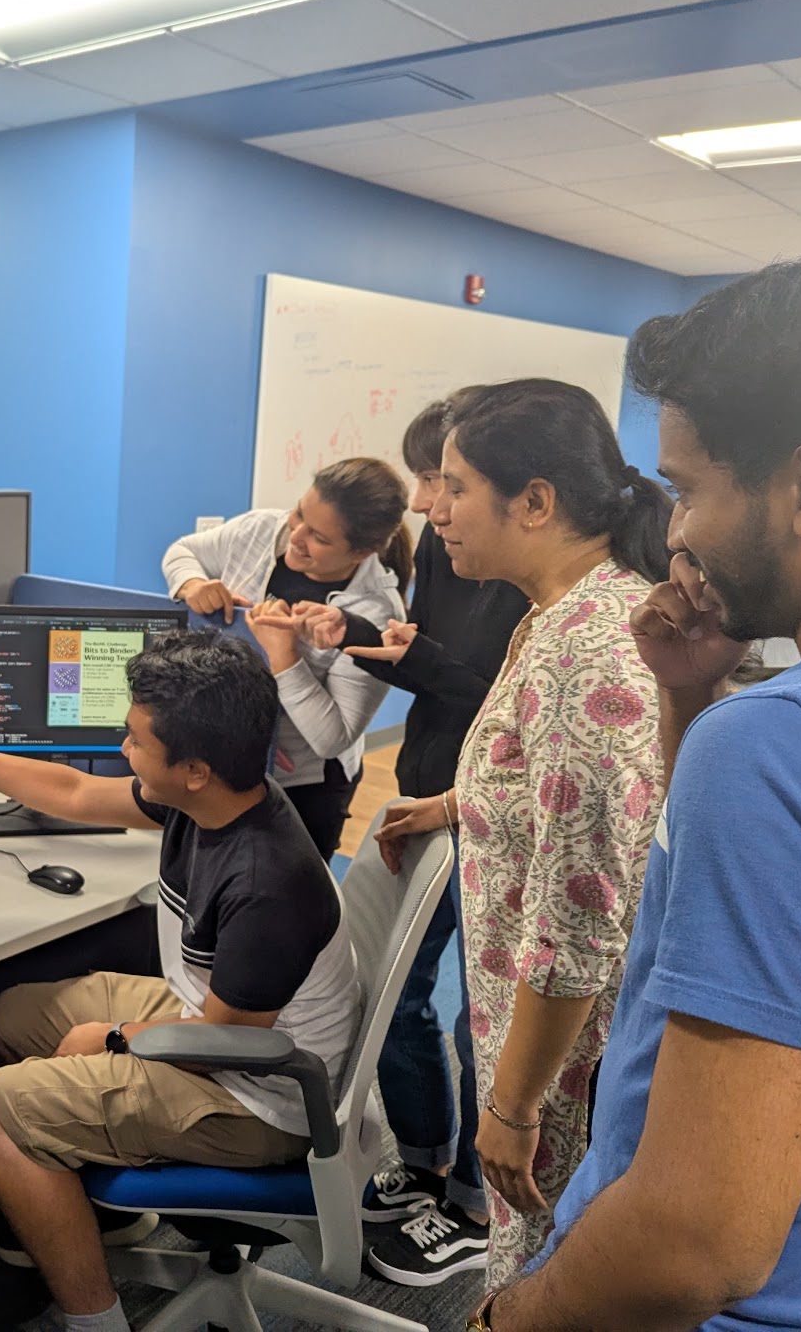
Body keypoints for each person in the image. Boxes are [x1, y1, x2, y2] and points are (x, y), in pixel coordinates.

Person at [474, 250, 801, 1330]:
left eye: (688, 487)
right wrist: (687, 710)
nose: (672, 530)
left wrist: (497, 1321)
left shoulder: (794, 745)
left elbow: (688, 1241)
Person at [0, 628, 362, 1332]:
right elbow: (70, 790)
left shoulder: (267, 883)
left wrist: (114, 1039)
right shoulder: (214, 795)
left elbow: (226, 1043)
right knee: (15, 1012)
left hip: (262, 1096)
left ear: (192, 767)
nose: (122, 747)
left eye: (135, 739)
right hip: (224, 1021)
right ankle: (100, 1215)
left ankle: (94, 1320)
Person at [364, 379, 671, 1288]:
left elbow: (580, 931)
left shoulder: (591, 651)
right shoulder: (558, 616)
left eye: (452, 484)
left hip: (561, 1069)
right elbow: (557, 795)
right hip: (535, 1038)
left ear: (534, 501)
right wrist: (458, 803)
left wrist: (514, 1104)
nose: (429, 505)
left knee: (549, 1280)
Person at [259, 396, 530, 1285]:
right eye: (426, 478)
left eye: (444, 481)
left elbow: (499, 705)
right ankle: (424, 1162)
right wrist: (372, 639)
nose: (426, 502)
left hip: (478, 809)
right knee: (407, 992)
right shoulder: (454, 560)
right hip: (432, 789)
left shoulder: (550, 595)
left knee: (478, 1017)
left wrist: (451, 798)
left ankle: (475, 1203)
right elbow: (444, 674)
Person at [162, 457, 411, 859]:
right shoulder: (261, 528)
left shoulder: (377, 615)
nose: (296, 535)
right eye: (299, 514)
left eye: (319, 538)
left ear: (361, 551)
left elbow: (331, 738)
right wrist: (192, 584)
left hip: (304, 787)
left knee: (283, 909)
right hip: (223, 761)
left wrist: (284, 657)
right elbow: (182, 551)